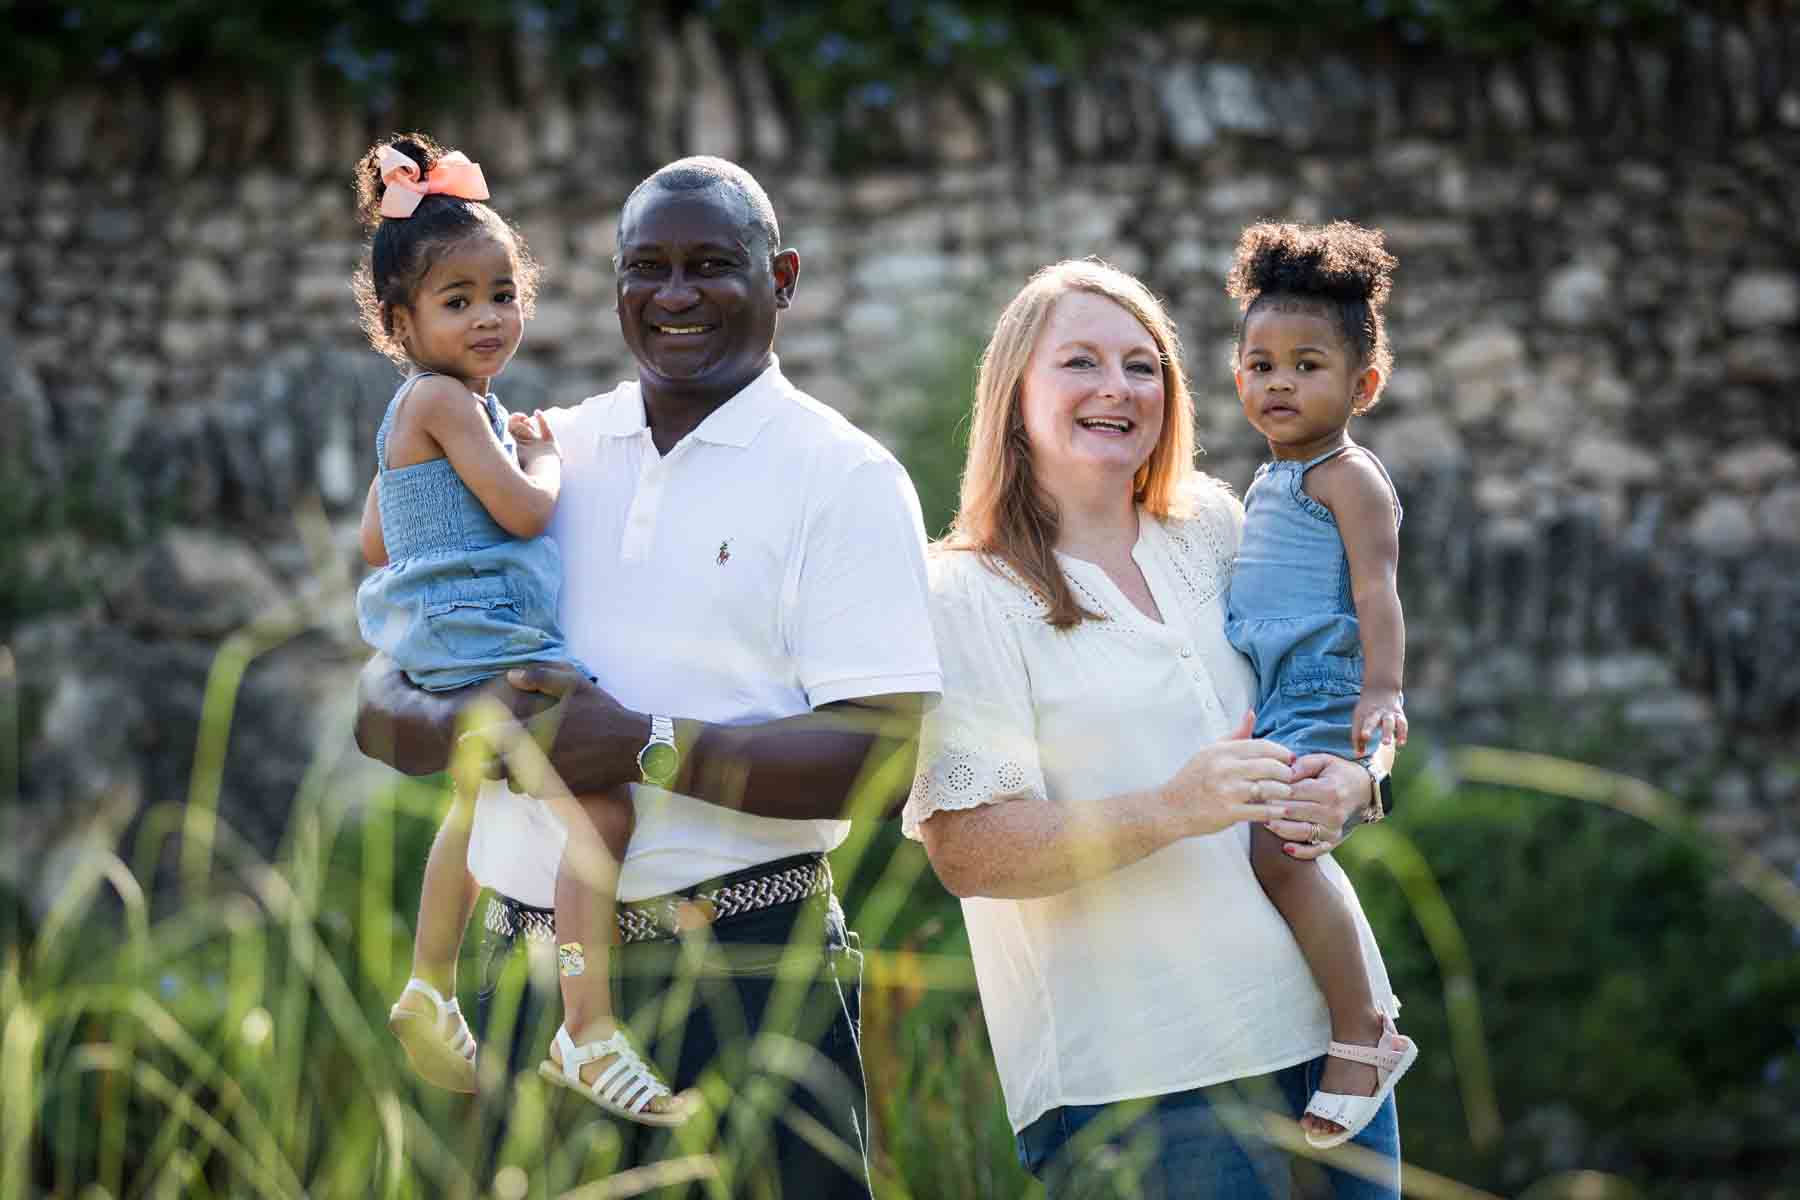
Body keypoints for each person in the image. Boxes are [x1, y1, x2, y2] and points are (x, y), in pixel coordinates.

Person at [354, 155, 940, 1198]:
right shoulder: (548, 447)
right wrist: (473, 723)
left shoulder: (843, 477)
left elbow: (887, 759)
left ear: (784, 278)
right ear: (615, 280)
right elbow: (382, 699)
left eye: (711, 265)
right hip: (528, 987)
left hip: (753, 972)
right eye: (646, 268)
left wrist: (645, 748)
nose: (675, 295)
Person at [904, 259, 1403, 1199]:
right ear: (1014, 391)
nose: (1117, 388)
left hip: (1337, 1040)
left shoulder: (1219, 524)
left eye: (1143, 366)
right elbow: (969, 853)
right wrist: (1174, 807)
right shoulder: (960, 592)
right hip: (1147, 1088)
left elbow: (1333, 673)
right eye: (1080, 362)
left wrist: (1358, 782)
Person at [349, 131, 688, 1123]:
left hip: (447, 642)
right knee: (606, 816)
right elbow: (529, 513)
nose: (490, 317)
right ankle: (586, 1030)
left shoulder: (418, 413)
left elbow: (379, 537)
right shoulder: (451, 403)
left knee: (481, 803)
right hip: (494, 644)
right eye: (458, 302)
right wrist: (542, 456)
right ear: (400, 322)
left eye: (503, 293)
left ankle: (428, 984)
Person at [1225, 221, 1418, 1150]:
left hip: (1322, 690)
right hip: (1270, 692)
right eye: (1260, 365)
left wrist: (1382, 692)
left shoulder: (1349, 476)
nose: (1279, 384)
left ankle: (1364, 1031)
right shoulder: (1265, 480)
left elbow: (1378, 593)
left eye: (1307, 366)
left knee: (1281, 852)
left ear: (1362, 386)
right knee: (1264, 851)